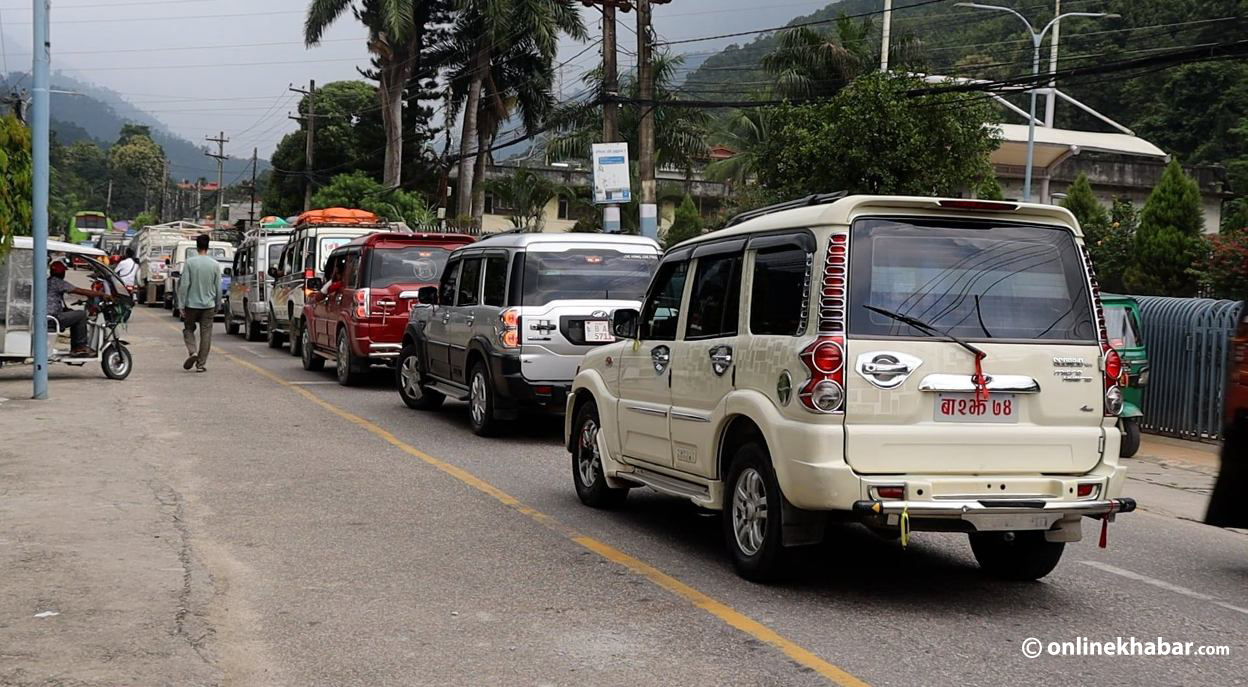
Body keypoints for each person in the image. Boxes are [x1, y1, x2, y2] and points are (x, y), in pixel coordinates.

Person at [47, 260, 113, 356]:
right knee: (81, 315)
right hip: (52, 319)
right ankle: (80, 347)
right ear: (62, 273)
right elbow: (80, 291)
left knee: (73, 315)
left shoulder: (47, 282)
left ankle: (76, 348)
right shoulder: (58, 282)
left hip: (48, 317)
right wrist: (102, 294)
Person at [177, 234, 223, 372]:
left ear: (196, 246)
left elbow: (184, 285)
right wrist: (218, 304)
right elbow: (218, 288)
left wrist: (181, 304)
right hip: (208, 305)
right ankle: (201, 365)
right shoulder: (215, 265)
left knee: (188, 329)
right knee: (206, 334)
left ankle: (193, 352)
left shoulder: (190, 263)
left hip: (191, 304)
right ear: (207, 247)